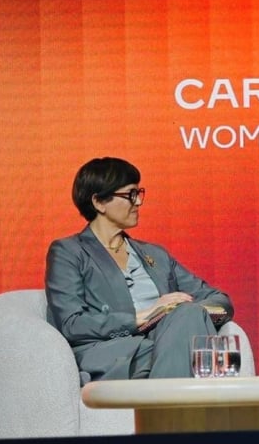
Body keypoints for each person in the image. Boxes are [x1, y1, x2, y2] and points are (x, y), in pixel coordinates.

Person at [45, 157, 234, 381]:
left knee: (188, 316)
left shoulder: (155, 254)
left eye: (139, 193)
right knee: (213, 356)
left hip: (167, 341)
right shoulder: (69, 251)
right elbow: (72, 324)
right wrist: (141, 317)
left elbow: (220, 301)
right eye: (130, 195)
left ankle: (167, 402)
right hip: (117, 353)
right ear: (99, 202)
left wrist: (174, 313)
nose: (138, 202)